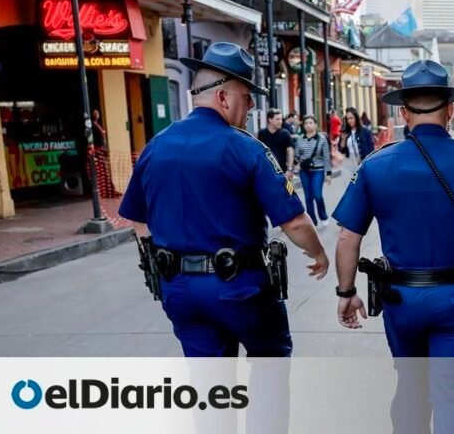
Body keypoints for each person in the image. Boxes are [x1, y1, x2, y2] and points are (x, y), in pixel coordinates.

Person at [333, 60, 454, 433]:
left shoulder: (376, 166)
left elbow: (347, 237)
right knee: (452, 397)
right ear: (451, 110)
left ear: (403, 112)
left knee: (410, 389)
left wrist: (346, 291)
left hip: (401, 300)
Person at [119, 42, 330, 357]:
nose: (250, 109)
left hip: (178, 289)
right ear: (223, 96)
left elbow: (138, 217)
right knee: (269, 365)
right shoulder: (246, 148)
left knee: (210, 386)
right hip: (240, 288)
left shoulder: (156, 146)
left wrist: (156, 261)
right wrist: (319, 254)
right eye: (246, 99)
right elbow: (295, 221)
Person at [295, 115, 333, 228]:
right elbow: (297, 155)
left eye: (311, 123)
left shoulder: (322, 139)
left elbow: (326, 157)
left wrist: (328, 173)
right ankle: (312, 220)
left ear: (315, 125)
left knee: (317, 195)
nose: (308, 125)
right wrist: (296, 164)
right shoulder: (300, 139)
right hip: (304, 171)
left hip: (318, 170)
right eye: (306, 123)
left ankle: (323, 216)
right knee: (308, 197)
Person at [257, 108, 295, 179]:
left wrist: (290, 169)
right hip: (265, 170)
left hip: (282, 170)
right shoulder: (262, 133)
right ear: (270, 120)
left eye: (281, 119)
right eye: (277, 119)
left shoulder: (285, 133)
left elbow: (290, 151)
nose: (280, 121)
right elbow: (258, 151)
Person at [337, 107, 374, 173]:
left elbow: (371, 149)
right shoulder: (345, 132)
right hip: (349, 162)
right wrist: (343, 140)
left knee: (362, 182)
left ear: (356, 118)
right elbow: (341, 150)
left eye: (351, 118)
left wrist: (367, 161)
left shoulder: (366, 132)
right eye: (347, 119)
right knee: (350, 182)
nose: (349, 121)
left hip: (363, 161)